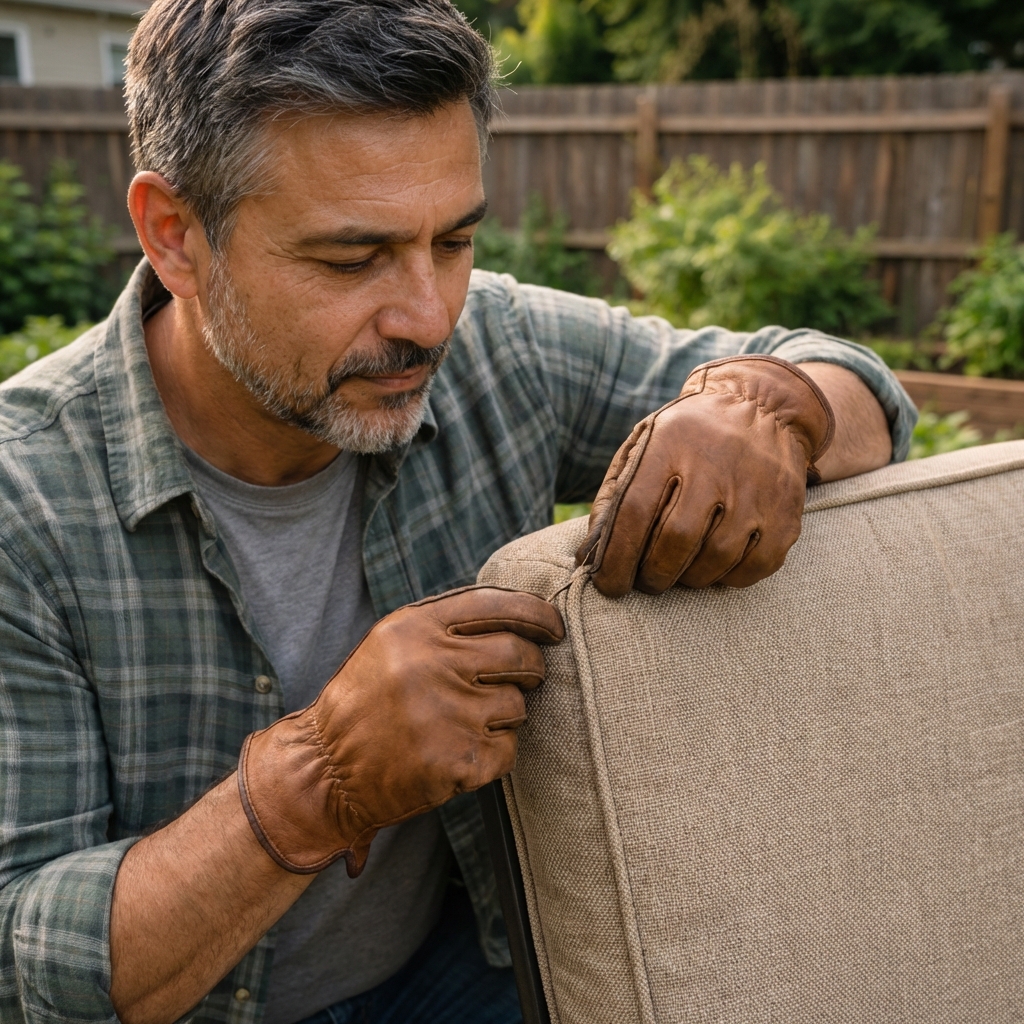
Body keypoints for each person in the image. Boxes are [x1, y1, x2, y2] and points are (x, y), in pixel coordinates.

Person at [0, 1, 915, 1023]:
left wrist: (760, 403)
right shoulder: (23, 502)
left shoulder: (501, 352)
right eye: (351, 259)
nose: (427, 317)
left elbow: (854, 387)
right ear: (175, 234)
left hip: (461, 965)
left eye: (455, 238)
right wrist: (316, 784)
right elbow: (22, 957)